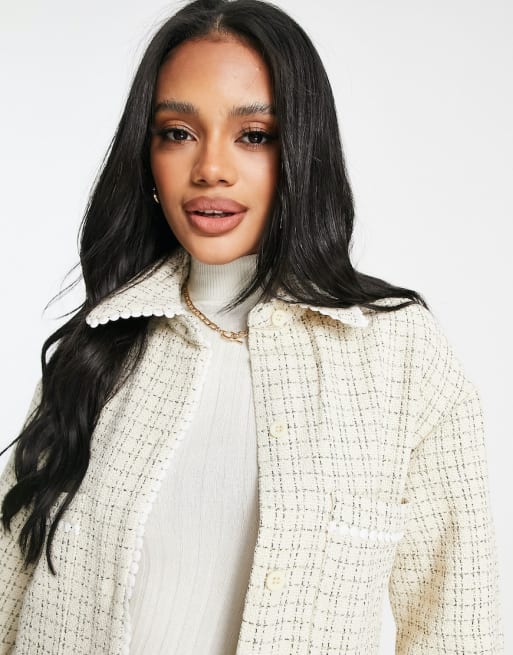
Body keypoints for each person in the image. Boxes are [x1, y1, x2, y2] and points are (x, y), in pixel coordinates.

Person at [0, 0, 504, 653]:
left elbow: (457, 626)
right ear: (146, 158)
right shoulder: (98, 345)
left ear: (301, 151)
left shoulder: (398, 354)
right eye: (178, 132)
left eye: (254, 135)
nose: (211, 167)